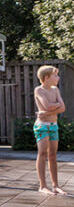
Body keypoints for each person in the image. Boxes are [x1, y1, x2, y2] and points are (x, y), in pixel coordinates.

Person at [34, 65, 66, 195]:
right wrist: (56, 105)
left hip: (53, 125)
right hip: (42, 126)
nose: (58, 78)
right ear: (46, 78)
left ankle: (55, 185)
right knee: (42, 154)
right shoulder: (39, 90)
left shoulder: (55, 89)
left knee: (53, 156)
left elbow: (63, 108)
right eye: (55, 75)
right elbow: (47, 105)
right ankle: (42, 186)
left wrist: (45, 113)